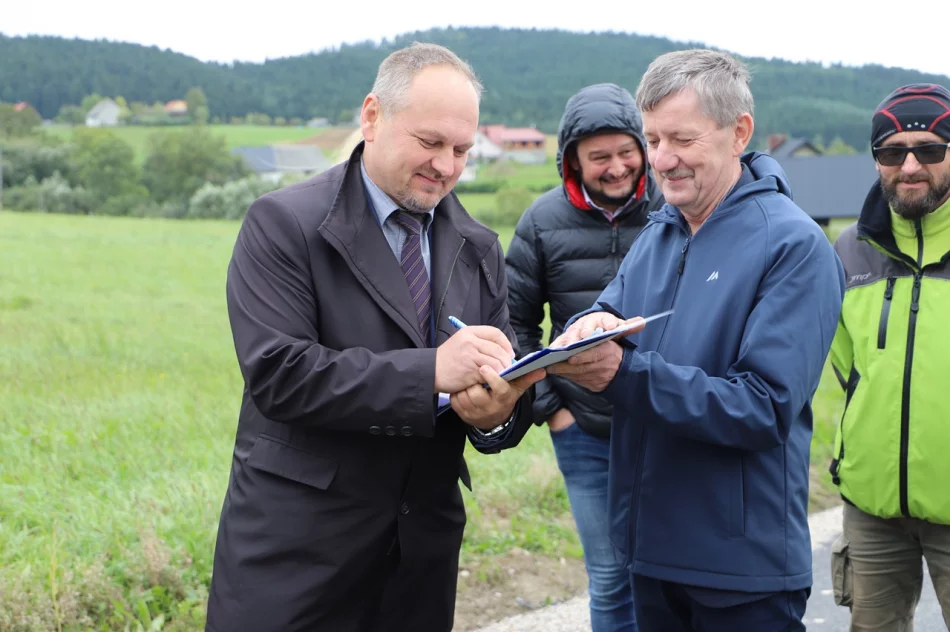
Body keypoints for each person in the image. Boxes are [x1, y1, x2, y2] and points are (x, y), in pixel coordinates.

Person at [204, 42, 543, 632]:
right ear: (372, 116)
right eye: (430, 142)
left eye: (461, 149)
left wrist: (498, 411)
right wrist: (431, 372)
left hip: (420, 557)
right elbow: (280, 374)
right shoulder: (284, 223)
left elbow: (500, 389)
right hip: (298, 554)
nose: (447, 165)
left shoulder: (480, 245)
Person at [545, 48, 846, 630]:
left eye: (681, 139)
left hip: (739, 570)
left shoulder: (793, 247)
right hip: (651, 554)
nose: (661, 160)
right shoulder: (662, 232)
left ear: (739, 133)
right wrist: (588, 329)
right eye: (653, 139)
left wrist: (621, 373)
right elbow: (613, 312)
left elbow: (763, 406)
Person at [505, 82, 663, 631]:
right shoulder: (541, 221)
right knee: (611, 577)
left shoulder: (676, 210)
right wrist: (553, 409)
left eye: (627, 152)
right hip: (584, 433)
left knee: (670, 575)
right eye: (600, 157)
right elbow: (514, 321)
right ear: (572, 160)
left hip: (669, 423)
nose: (617, 167)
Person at [827, 82, 950, 630]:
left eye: (929, 149)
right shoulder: (849, 250)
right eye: (892, 151)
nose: (910, 166)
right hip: (872, 508)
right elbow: (845, 366)